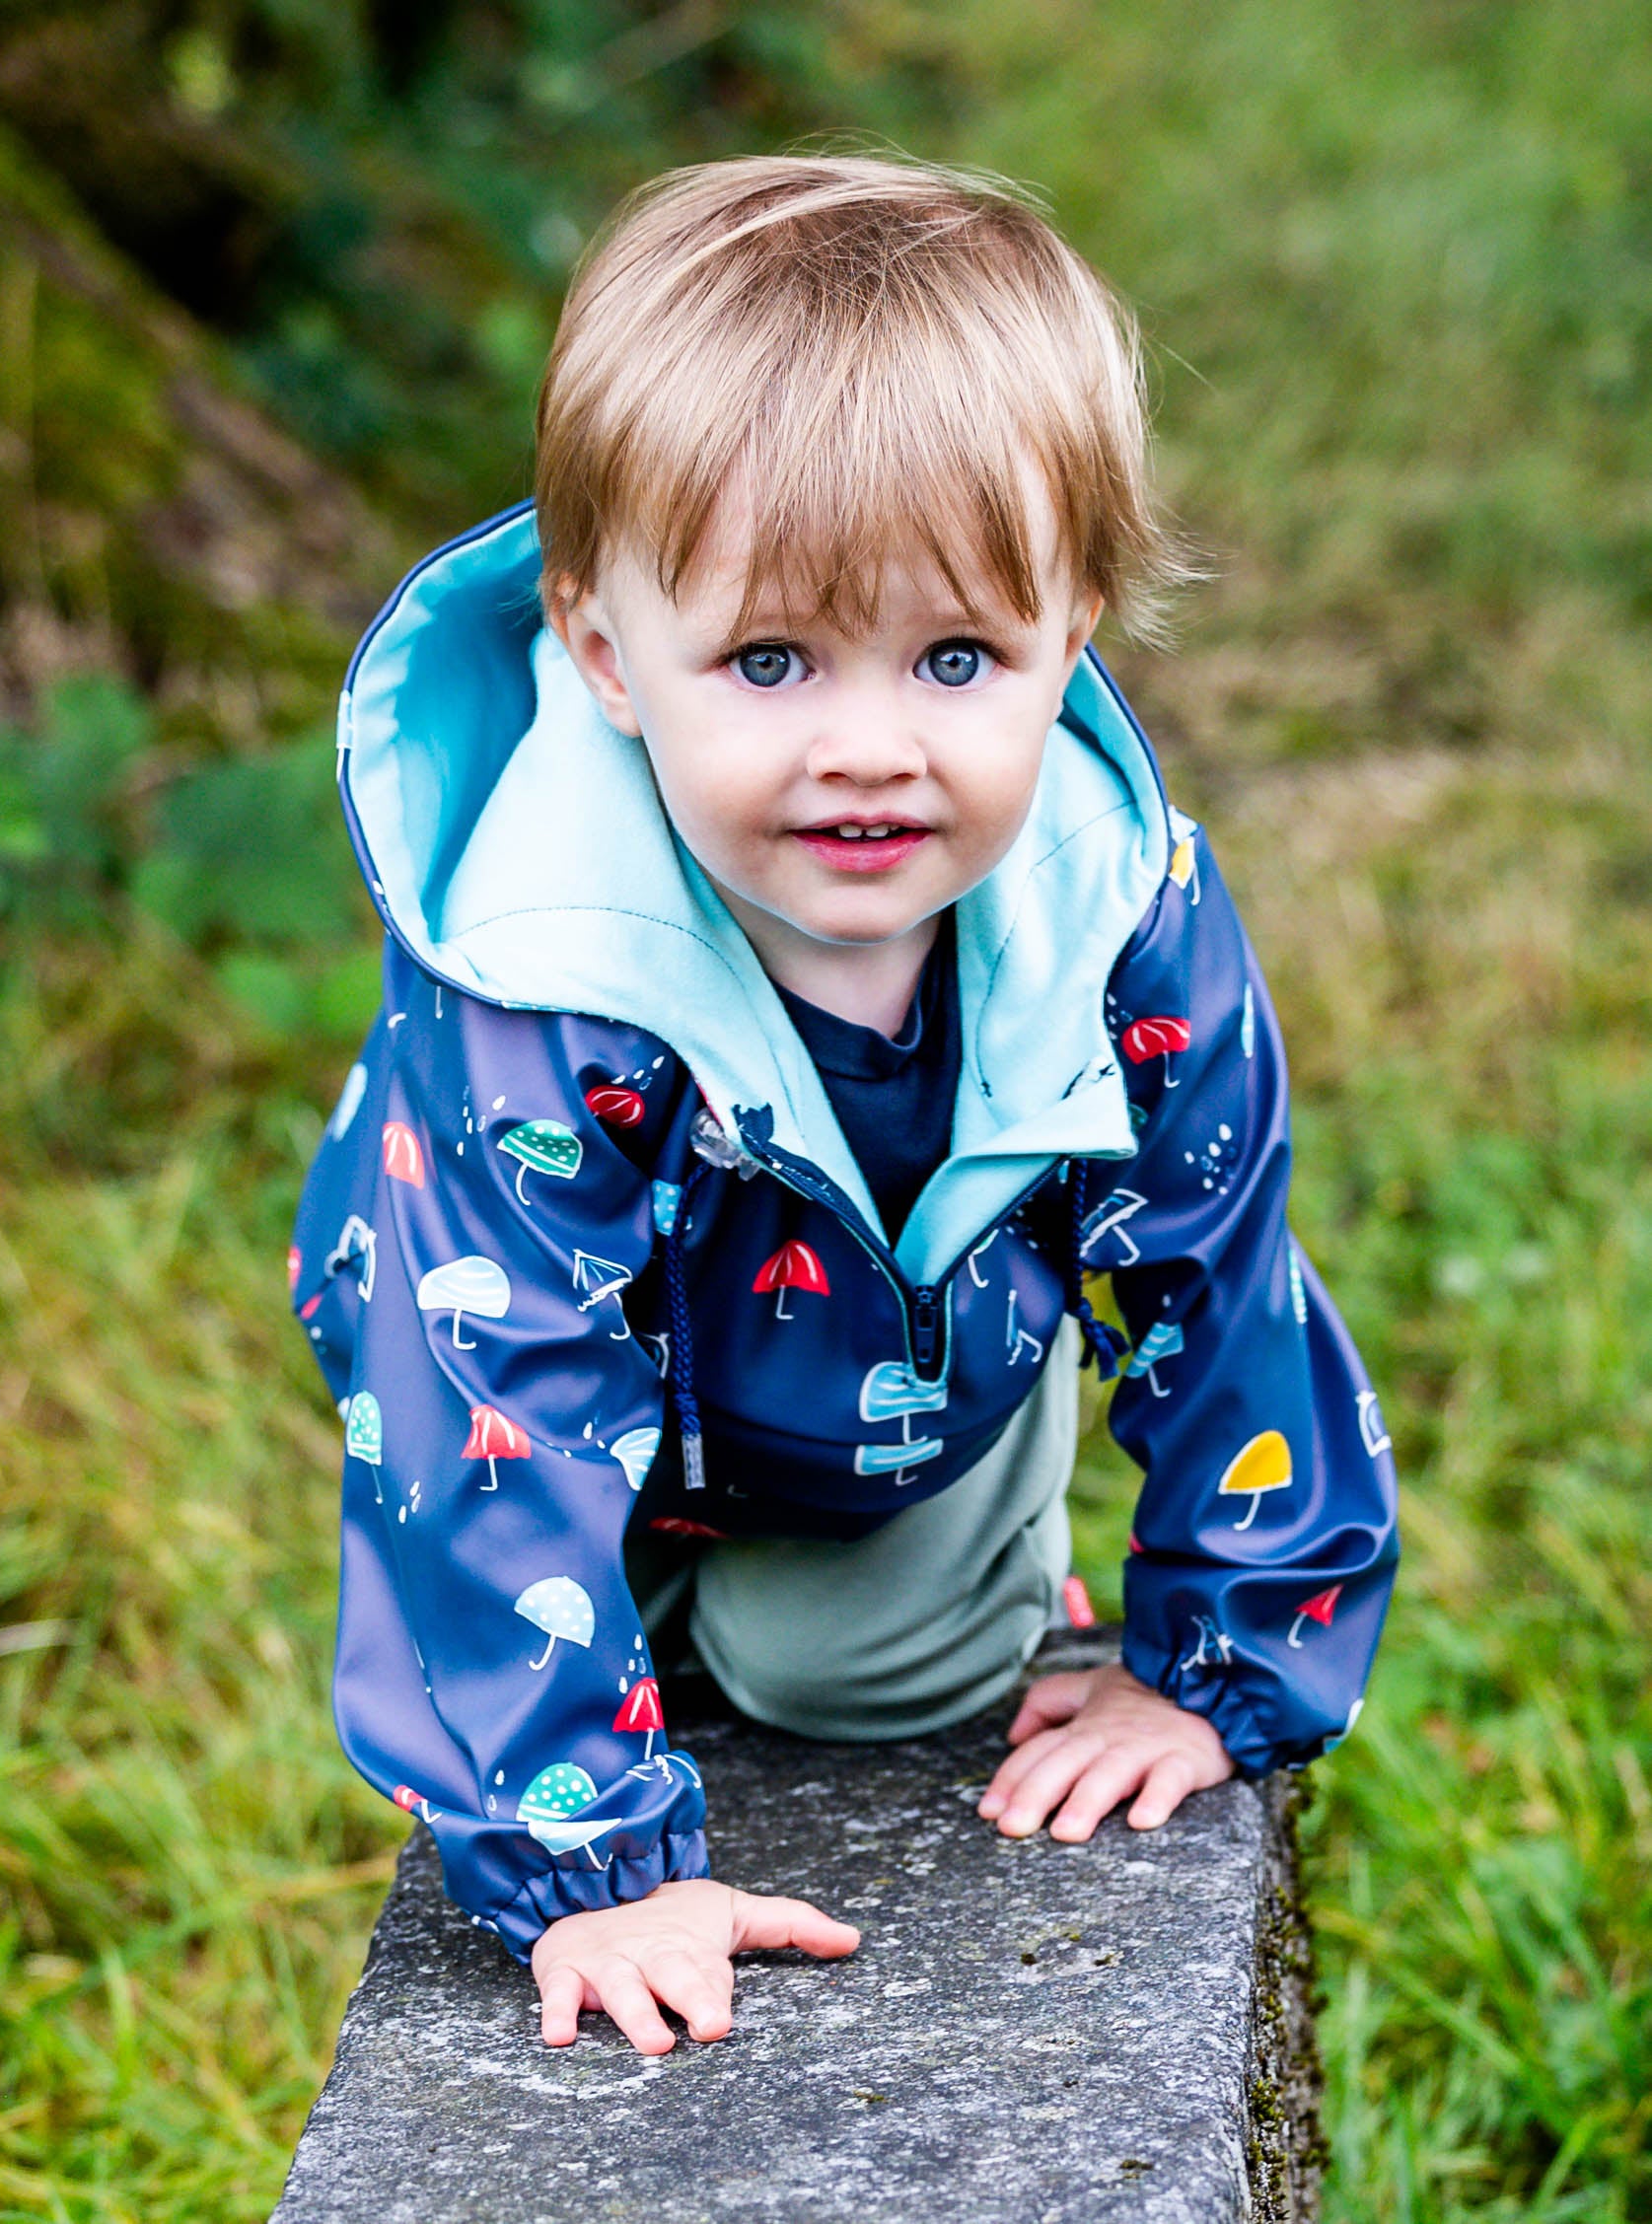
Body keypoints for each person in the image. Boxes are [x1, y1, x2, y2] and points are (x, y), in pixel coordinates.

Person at [291, 153, 1399, 2058]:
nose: (868, 747)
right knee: (539, 1600)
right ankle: (645, 1589)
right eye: (771, 660)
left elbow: (1222, 1269)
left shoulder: (1117, 921)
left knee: (848, 1683)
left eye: (958, 657)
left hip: (880, 1384)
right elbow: (474, 1399)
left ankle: (974, 1503)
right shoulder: (545, 980)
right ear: (604, 651)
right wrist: (599, 1871)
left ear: (1079, 629)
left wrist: (1221, 1667)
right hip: (569, 1364)